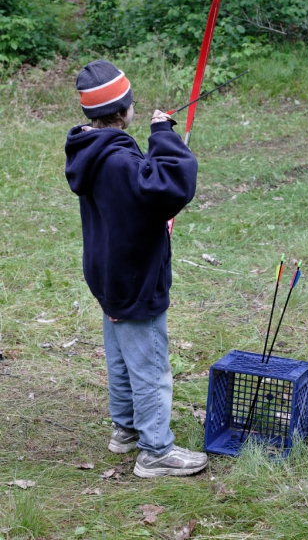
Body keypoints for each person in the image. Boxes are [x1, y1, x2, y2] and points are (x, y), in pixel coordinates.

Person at [65, 59, 208, 478]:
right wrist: (163, 134)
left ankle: (125, 429)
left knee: (121, 356)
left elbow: (142, 196)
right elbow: (170, 186)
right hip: (133, 276)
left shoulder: (92, 149)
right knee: (149, 366)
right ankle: (156, 451)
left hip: (110, 273)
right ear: (123, 110)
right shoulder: (119, 161)